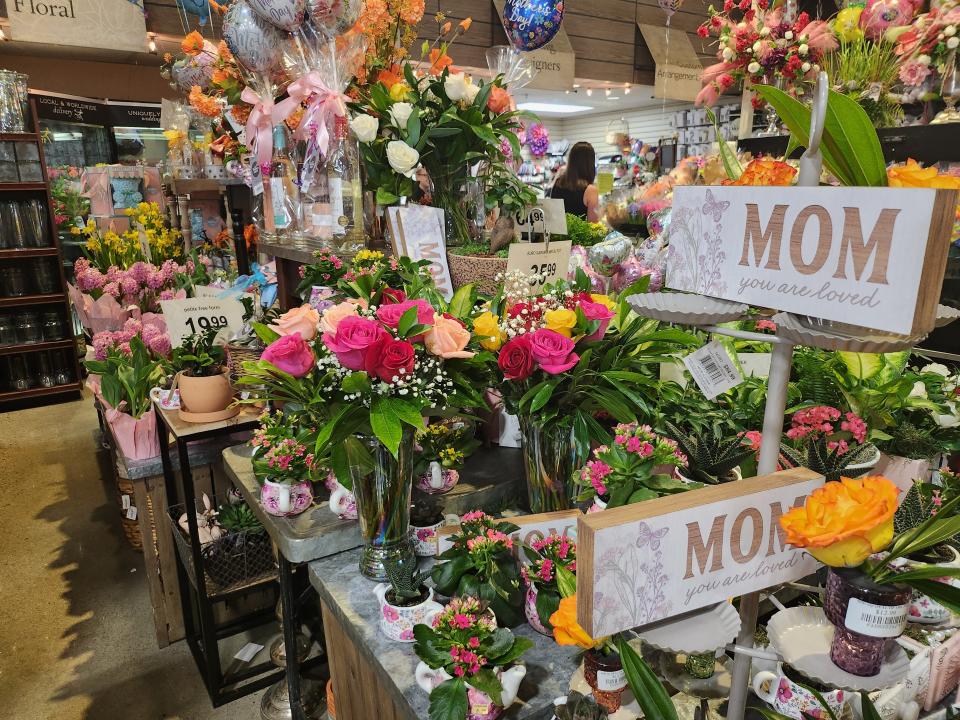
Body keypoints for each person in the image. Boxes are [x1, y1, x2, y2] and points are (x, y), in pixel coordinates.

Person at [550, 141, 601, 222]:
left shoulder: (558, 183)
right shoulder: (590, 190)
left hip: (557, 233)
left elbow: (552, 214)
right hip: (580, 234)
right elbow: (593, 225)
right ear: (590, 162)